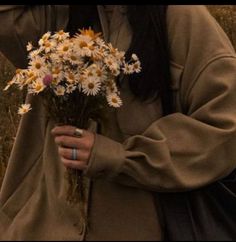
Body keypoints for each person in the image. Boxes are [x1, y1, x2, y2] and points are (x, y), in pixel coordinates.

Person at [0, 5, 236, 241]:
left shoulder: (180, 18)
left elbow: (225, 127)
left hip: (138, 227)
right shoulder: (60, 14)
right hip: (44, 227)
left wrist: (120, 157)